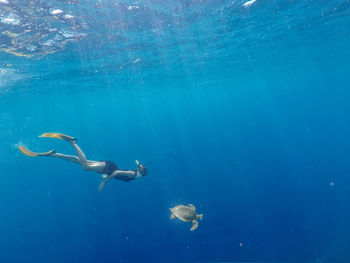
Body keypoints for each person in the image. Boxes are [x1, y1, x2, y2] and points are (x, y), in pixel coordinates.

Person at [18, 133, 147, 191]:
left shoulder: (134, 173)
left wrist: (106, 176)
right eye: (143, 174)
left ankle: (53, 155)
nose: (141, 176)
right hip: (108, 167)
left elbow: (119, 172)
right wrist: (104, 182)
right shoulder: (132, 175)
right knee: (85, 166)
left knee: (76, 161)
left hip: (107, 167)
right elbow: (117, 172)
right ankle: (72, 142)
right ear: (140, 174)